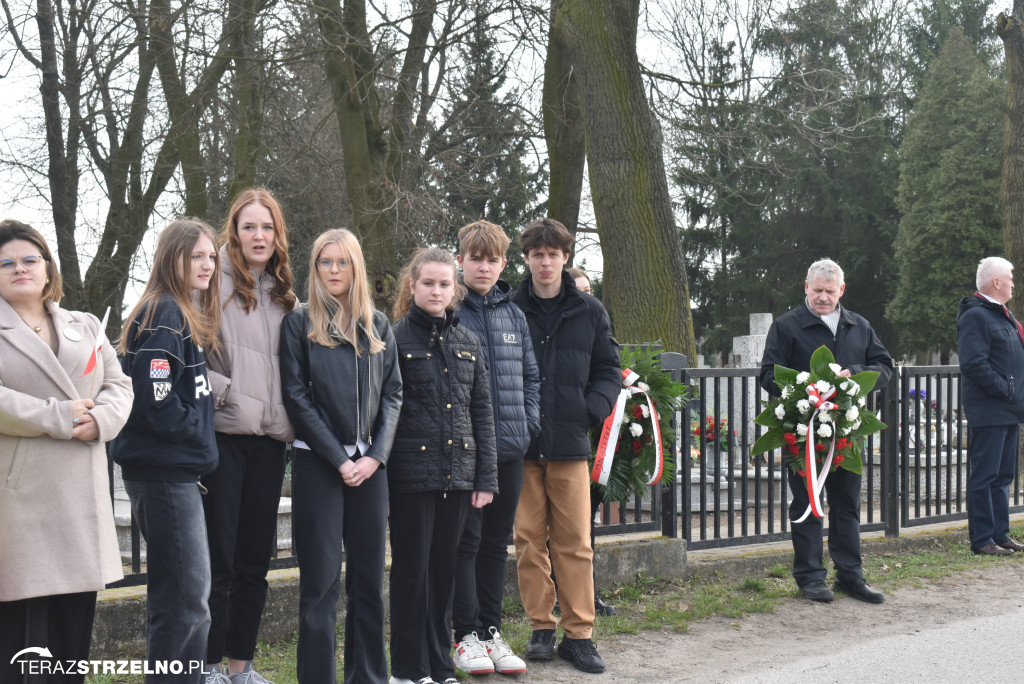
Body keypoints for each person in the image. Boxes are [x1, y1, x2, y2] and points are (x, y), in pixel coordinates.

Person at [0, 219, 133, 684]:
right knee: (21, 645)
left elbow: (119, 386)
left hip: (79, 501)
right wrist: (58, 417)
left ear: (47, 267)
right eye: (7, 262)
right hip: (21, 503)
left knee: (70, 641)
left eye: (29, 259)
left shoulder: (87, 325)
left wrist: (101, 420)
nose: (19, 268)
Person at [279, 229, 402, 683]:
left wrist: (374, 457)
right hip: (319, 466)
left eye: (342, 262)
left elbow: (393, 395)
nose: (333, 271)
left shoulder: (380, 324)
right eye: (324, 262)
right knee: (321, 583)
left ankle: (368, 676)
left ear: (356, 267)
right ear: (314, 269)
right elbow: (295, 396)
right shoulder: (299, 324)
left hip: (371, 468)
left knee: (369, 581)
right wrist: (338, 458)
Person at [111, 219, 221, 682]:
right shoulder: (164, 312)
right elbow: (155, 398)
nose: (208, 264)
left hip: (168, 473)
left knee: (182, 598)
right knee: (186, 602)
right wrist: (197, 429)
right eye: (196, 255)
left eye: (212, 256)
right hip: (164, 476)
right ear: (171, 257)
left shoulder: (175, 310)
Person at [511, 218, 621, 674]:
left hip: (571, 445)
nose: (545, 261)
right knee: (528, 541)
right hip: (522, 445)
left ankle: (579, 634)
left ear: (565, 258)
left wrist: (590, 410)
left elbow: (608, 370)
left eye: (552, 254)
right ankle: (541, 626)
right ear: (527, 258)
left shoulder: (590, 310)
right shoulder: (510, 306)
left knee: (575, 543)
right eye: (537, 254)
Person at [388, 247, 497, 684]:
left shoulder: (468, 342)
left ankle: (438, 665)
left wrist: (485, 476)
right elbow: (386, 413)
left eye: (444, 284)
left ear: (455, 290)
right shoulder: (394, 339)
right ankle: (406, 669)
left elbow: (482, 412)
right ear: (412, 286)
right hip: (411, 479)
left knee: (444, 573)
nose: (436, 290)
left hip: (459, 475)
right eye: (428, 283)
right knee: (411, 573)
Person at [202, 189, 298, 684]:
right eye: (248, 227)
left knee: (255, 561)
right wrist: (223, 393)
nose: (258, 236)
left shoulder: (286, 295)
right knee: (219, 560)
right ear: (234, 233)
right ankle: (210, 665)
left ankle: (241, 666)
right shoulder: (207, 282)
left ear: (277, 234)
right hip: (223, 435)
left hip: (270, 441)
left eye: (267, 228)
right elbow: (181, 352)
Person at [759, 258, 893, 604]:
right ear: (806, 288)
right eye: (817, 290)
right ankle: (811, 577)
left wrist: (855, 374)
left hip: (845, 431)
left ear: (841, 291)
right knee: (807, 503)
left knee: (846, 504)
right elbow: (768, 374)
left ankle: (851, 576)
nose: (822, 297)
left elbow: (884, 366)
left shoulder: (858, 325)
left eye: (829, 292)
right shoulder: (787, 326)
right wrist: (806, 388)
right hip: (802, 433)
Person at [450, 221, 539, 676]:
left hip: (508, 450)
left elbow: (530, 377)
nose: (483, 267)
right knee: (466, 543)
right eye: (475, 258)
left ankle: (489, 631)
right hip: (464, 454)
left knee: (494, 544)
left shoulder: (513, 314)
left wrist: (527, 426)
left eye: (492, 260)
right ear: (460, 259)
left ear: (504, 263)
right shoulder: (450, 308)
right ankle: (463, 634)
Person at [957, 256, 1024, 556]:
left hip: (1008, 409)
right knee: (984, 476)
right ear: (996, 282)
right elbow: (973, 363)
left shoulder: (1002, 315)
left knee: (1003, 476)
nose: (1012, 281)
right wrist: (1006, 388)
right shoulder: (977, 315)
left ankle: (1000, 534)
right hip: (991, 408)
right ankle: (983, 539)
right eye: (1009, 276)